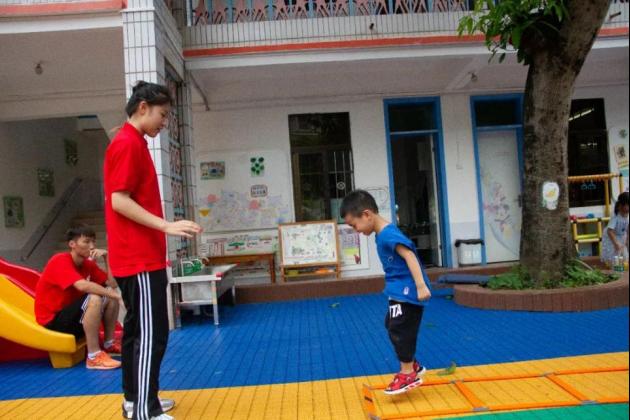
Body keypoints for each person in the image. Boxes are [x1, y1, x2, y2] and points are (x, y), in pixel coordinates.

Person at [104, 81, 202, 420]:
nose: (165, 122)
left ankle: (136, 401)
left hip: (137, 258)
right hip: (139, 259)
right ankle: (145, 409)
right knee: (151, 335)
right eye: (163, 114)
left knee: (136, 333)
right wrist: (165, 226)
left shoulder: (132, 142)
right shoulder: (127, 144)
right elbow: (119, 201)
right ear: (143, 107)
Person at [340, 190, 432, 395]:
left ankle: (407, 373)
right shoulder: (381, 234)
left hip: (408, 291)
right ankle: (411, 364)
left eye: (354, 225)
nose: (355, 230)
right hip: (398, 289)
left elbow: (410, 255)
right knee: (391, 324)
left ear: (366, 215)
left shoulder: (388, 234)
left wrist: (420, 286)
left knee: (399, 328)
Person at [35, 225, 123, 370]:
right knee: (95, 297)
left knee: (109, 297)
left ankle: (109, 344)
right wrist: (114, 294)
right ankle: (93, 357)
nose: (92, 246)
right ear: (72, 244)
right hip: (53, 323)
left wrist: (107, 258)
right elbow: (82, 286)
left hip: (72, 320)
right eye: (86, 242)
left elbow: (112, 284)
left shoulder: (87, 265)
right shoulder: (60, 260)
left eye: (93, 241)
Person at [601, 191, 629, 267]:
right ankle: (611, 264)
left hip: (621, 236)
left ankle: (621, 263)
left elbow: (628, 229)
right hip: (612, 237)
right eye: (628, 205)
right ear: (621, 205)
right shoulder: (616, 216)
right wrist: (616, 243)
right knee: (615, 253)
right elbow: (609, 231)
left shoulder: (627, 215)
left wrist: (627, 241)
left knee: (624, 255)